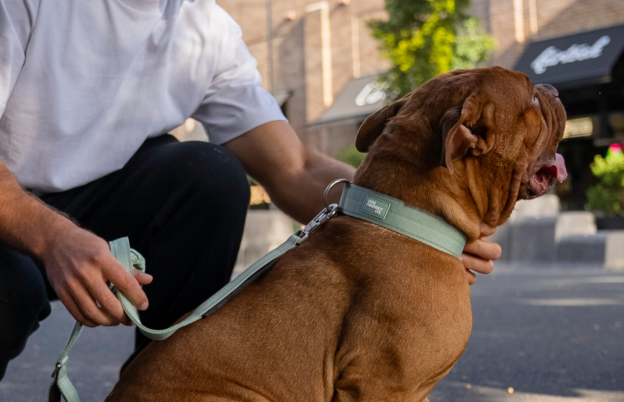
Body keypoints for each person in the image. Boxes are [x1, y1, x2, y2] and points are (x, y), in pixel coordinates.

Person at [0, 0, 500, 381]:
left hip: (93, 207)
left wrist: (417, 228)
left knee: (209, 175)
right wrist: (52, 239)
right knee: (11, 286)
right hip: (13, 209)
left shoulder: (202, 28)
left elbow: (294, 168)